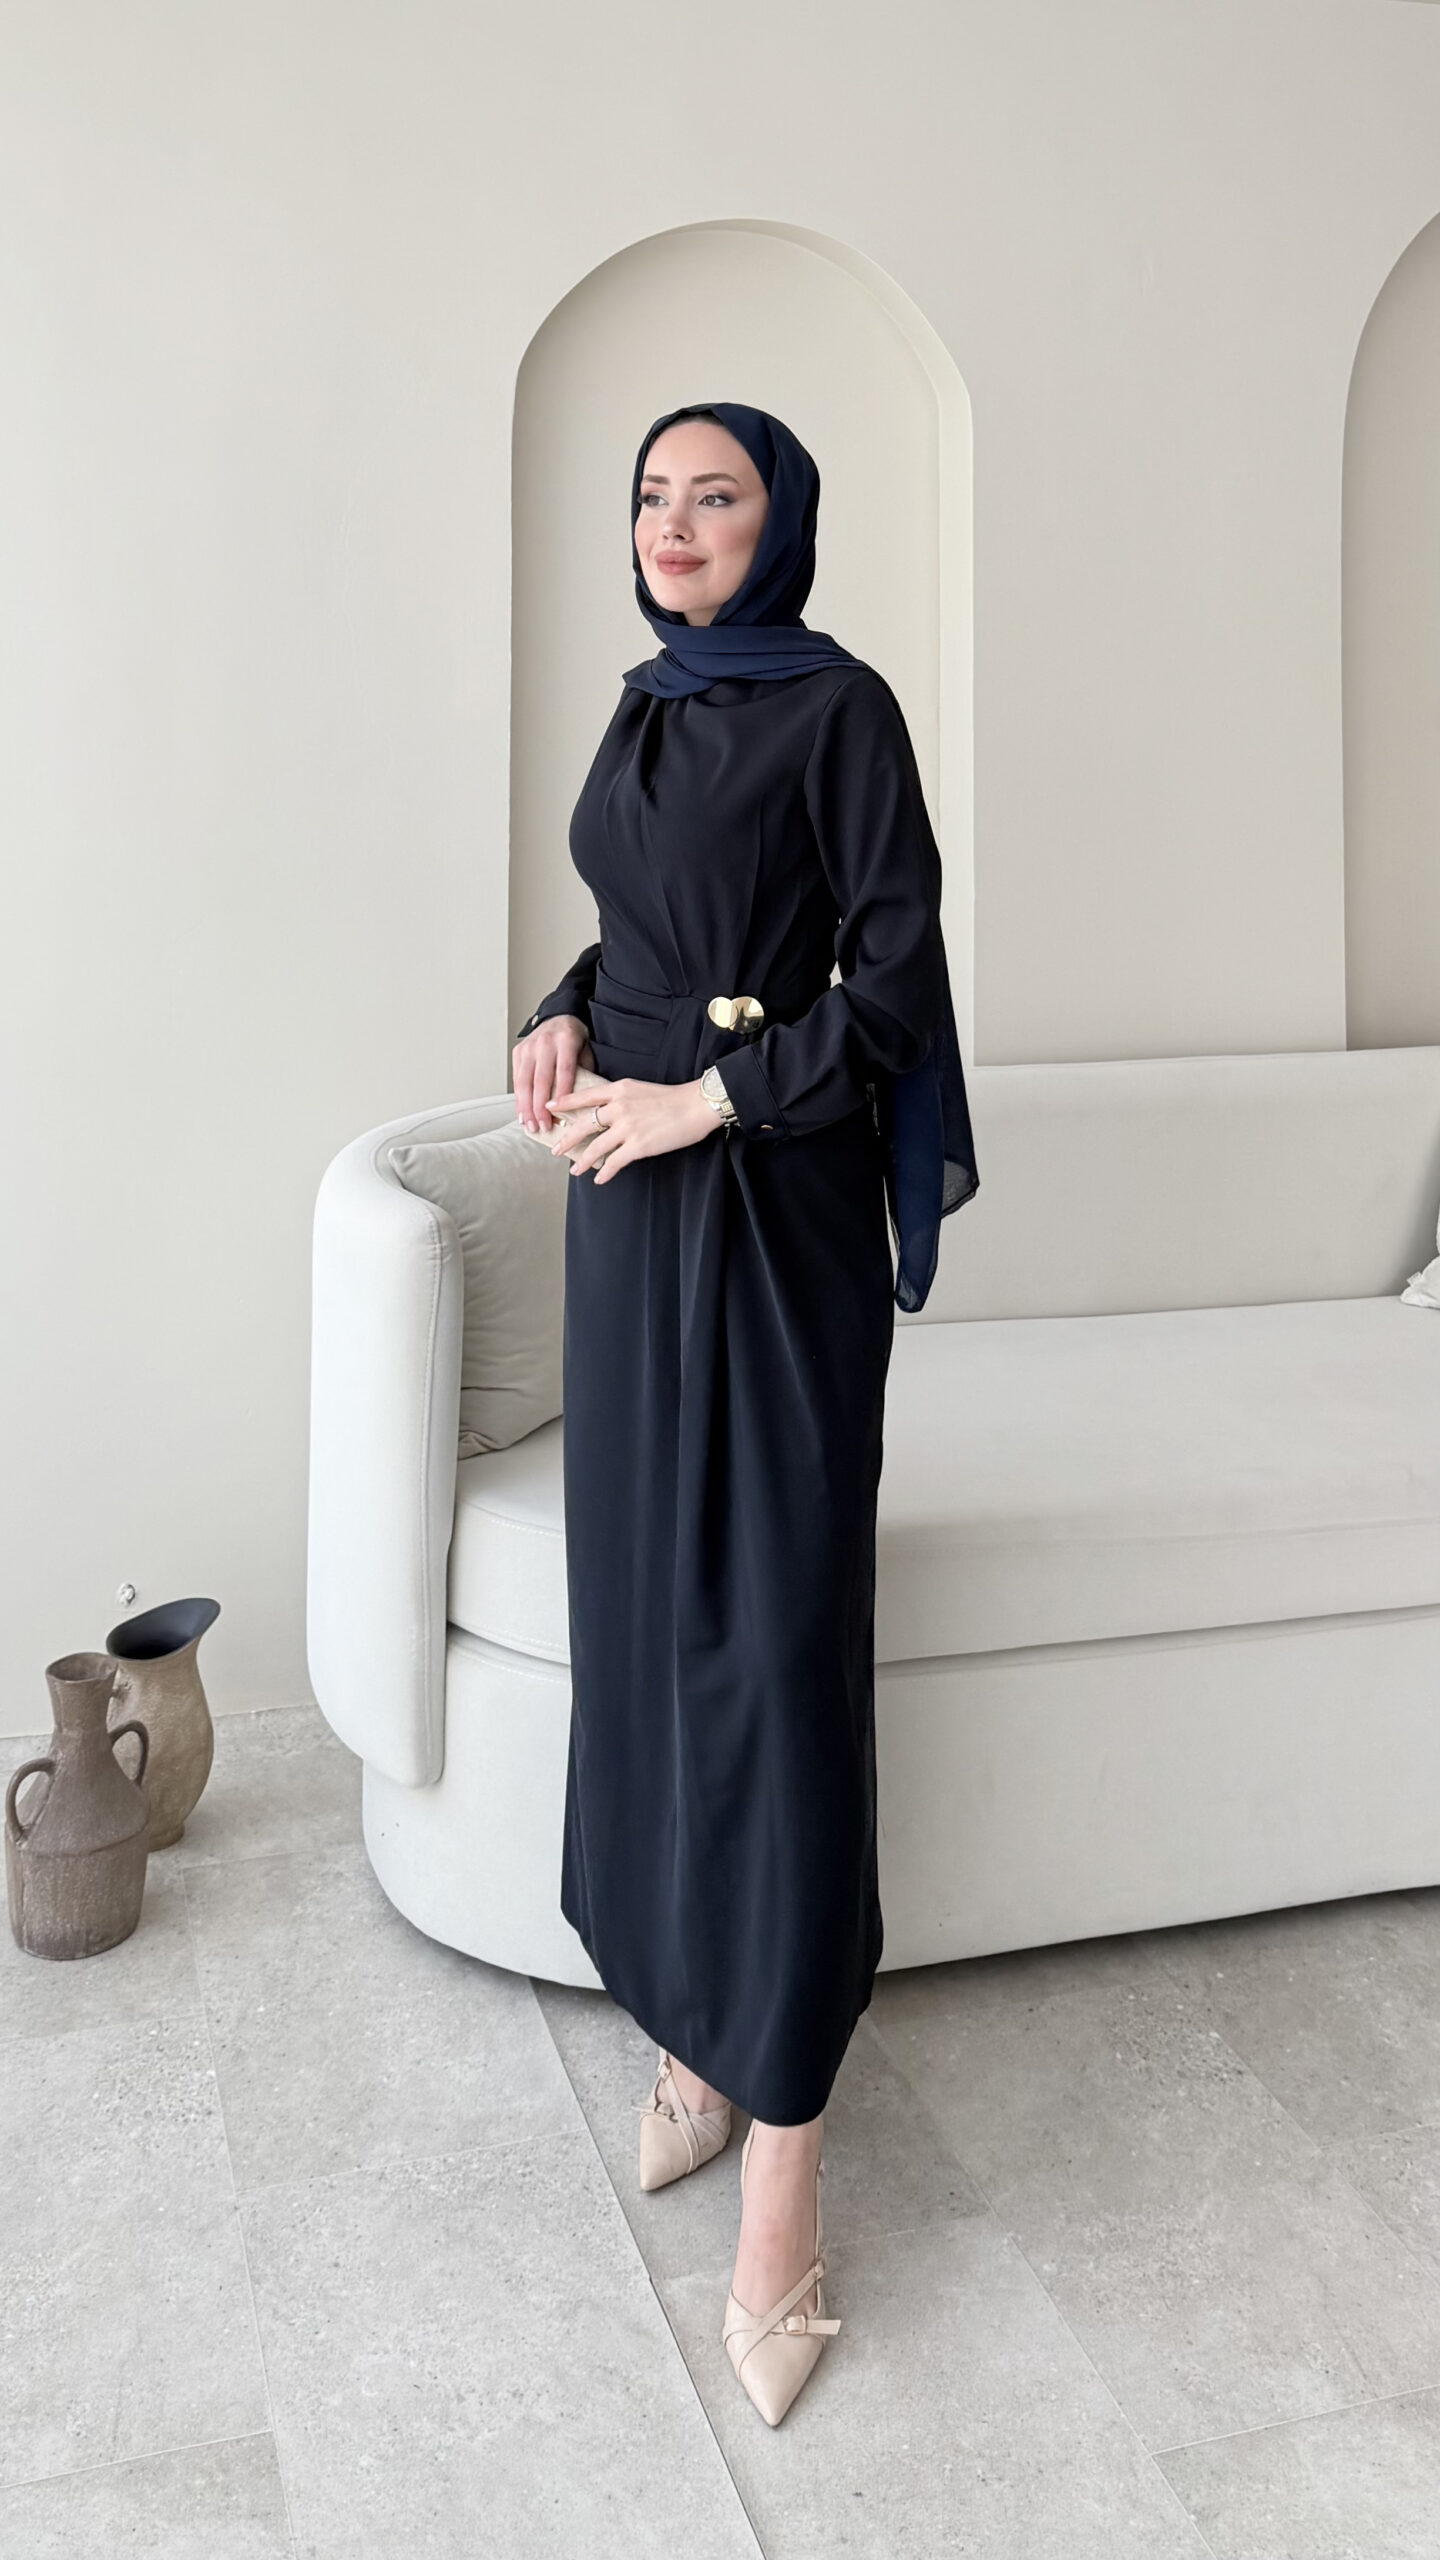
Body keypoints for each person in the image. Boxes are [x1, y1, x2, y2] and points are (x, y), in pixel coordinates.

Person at [511, 401, 977, 2425]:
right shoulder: (651, 699)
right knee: (644, 1630)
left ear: (781, 521)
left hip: (769, 1216)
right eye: (653, 495)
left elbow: (895, 982)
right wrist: (561, 1010)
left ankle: (785, 2141)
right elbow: (648, 922)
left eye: (716, 496)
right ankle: (689, 2023)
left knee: (771, 1654)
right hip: (626, 1217)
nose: (675, 524)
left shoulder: (838, 706)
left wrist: (711, 1096)